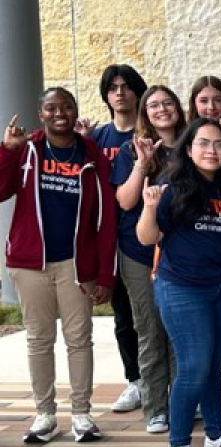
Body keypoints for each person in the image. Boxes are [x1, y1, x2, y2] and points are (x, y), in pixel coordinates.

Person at [137, 118, 221, 447]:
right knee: (193, 366)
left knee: (213, 365)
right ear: (189, 150)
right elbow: (147, 238)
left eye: (219, 144)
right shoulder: (173, 187)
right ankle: (177, 444)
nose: (212, 150)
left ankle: (217, 434)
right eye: (204, 143)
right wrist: (147, 206)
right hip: (182, 287)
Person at [0, 88, 116, 443]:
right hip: (30, 261)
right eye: (51, 107)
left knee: (79, 339)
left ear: (76, 111)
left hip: (75, 263)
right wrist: (7, 151)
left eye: (66, 106)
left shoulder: (91, 156)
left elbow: (105, 218)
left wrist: (104, 274)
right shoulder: (28, 150)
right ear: (41, 113)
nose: (59, 112)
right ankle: (45, 414)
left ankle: (81, 414)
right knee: (39, 338)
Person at [113, 85, 186, 434]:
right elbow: (125, 202)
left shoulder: (193, 146)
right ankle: (155, 408)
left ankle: (182, 402)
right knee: (151, 330)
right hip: (140, 254)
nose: (161, 110)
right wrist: (142, 164)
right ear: (145, 112)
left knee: (181, 331)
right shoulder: (132, 150)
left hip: (184, 253)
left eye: (167, 103)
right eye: (153, 105)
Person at [94, 64, 147, 414]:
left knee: (155, 316)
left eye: (127, 86)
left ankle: (162, 380)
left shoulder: (148, 134)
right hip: (114, 239)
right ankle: (135, 381)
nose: (120, 92)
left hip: (149, 234)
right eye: (113, 87)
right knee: (124, 315)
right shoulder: (97, 138)